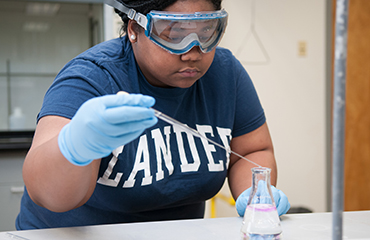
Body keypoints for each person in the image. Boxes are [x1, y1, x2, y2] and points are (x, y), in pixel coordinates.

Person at [16, 0, 290, 230]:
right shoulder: (91, 78)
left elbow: (254, 150)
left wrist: (255, 195)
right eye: (174, 33)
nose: (193, 52)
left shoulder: (225, 73)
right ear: (135, 28)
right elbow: (47, 195)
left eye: (206, 31)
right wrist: (75, 147)